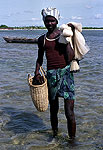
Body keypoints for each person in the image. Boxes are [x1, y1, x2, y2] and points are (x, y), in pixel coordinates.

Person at [34, 7, 76, 140]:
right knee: (53, 110)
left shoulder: (63, 35)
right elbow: (40, 59)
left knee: (69, 112)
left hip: (66, 75)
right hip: (51, 76)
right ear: (44, 21)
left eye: (52, 21)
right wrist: (37, 73)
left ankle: (72, 141)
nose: (50, 23)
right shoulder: (42, 40)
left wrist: (67, 39)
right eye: (47, 21)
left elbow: (70, 57)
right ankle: (55, 135)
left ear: (57, 21)